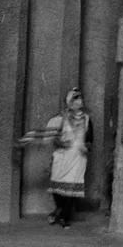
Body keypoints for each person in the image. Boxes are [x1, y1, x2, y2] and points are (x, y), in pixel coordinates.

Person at [18, 89, 91, 227]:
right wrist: (62, 143)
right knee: (57, 189)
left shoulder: (86, 118)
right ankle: (59, 209)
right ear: (70, 102)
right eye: (76, 99)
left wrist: (86, 147)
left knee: (72, 190)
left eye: (80, 98)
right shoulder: (60, 118)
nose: (79, 101)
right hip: (62, 156)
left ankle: (65, 218)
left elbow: (90, 139)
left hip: (78, 158)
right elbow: (52, 137)